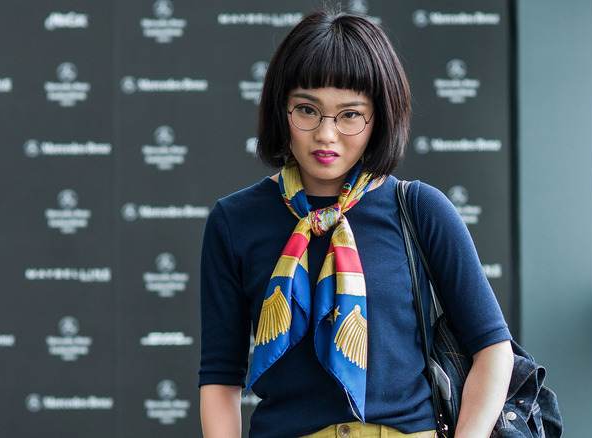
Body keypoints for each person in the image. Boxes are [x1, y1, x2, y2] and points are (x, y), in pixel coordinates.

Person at [199, 9, 515, 438]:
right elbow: (220, 376)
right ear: (281, 109)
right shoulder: (235, 221)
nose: (326, 134)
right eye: (307, 109)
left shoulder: (420, 209)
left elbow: (494, 349)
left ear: (378, 119)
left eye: (350, 114)